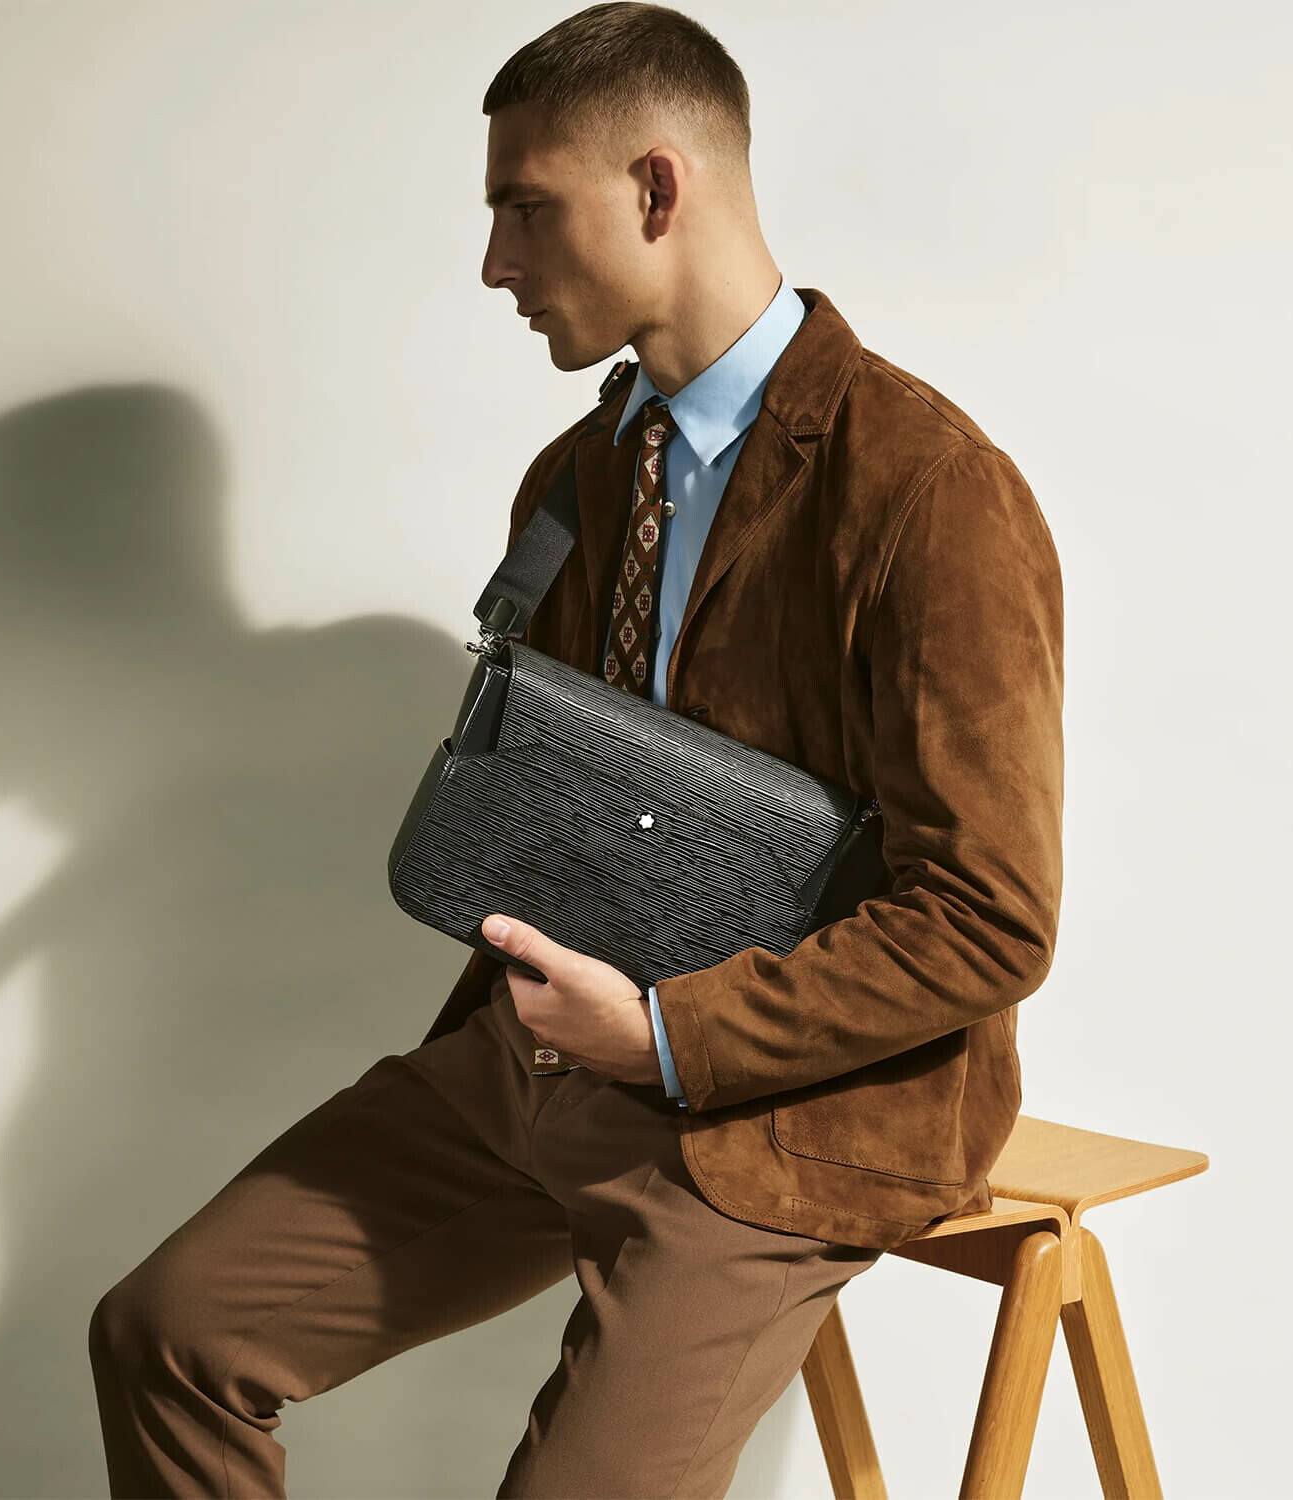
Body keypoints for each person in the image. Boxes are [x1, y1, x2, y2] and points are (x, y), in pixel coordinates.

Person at [88, 4, 1065, 1496]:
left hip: (794, 1111)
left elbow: (988, 917)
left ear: (656, 189)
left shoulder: (930, 493)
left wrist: (667, 1036)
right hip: (538, 1057)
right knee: (167, 1333)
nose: (495, 262)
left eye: (525, 208)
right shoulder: (577, 475)